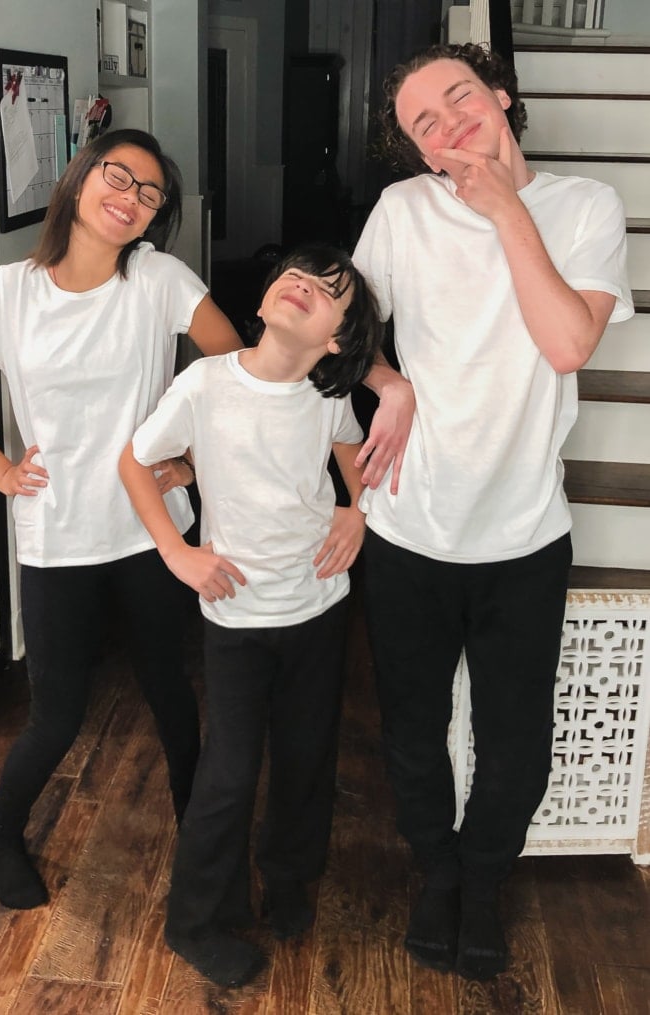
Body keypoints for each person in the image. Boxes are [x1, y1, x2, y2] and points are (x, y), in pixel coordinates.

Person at [352, 43, 633, 981]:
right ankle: (438, 869)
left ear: (501, 97)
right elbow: (340, 332)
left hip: (523, 536)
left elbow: (564, 343)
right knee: (413, 723)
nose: (447, 124)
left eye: (458, 99)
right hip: (408, 528)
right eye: (423, 124)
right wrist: (384, 380)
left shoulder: (585, 207)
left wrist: (506, 208)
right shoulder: (402, 212)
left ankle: (484, 874)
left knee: (518, 737)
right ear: (419, 153)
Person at [0, 128, 242, 911]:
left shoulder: (159, 278)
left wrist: (192, 463)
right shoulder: (8, 291)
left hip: (151, 527)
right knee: (57, 713)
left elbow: (234, 372)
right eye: (119, 177)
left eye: (149, 193)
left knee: (171, 691)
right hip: (59, 532)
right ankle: (1, 835)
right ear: (81, 178)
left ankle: (203, 846)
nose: (130, 199)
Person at [119, 244, 382, 988]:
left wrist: (356, 511)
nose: (304, 283)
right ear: (264, 300)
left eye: (331, 290)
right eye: (295, 274)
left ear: (336, 339)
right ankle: (195, 918)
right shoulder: (205, 383)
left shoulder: (328, 394)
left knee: (306, 758)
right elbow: (137, 461)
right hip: (234, 614)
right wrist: (176, 551)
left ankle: (290, 878)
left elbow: (353, 456)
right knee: (229, 773)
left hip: (318, 608)